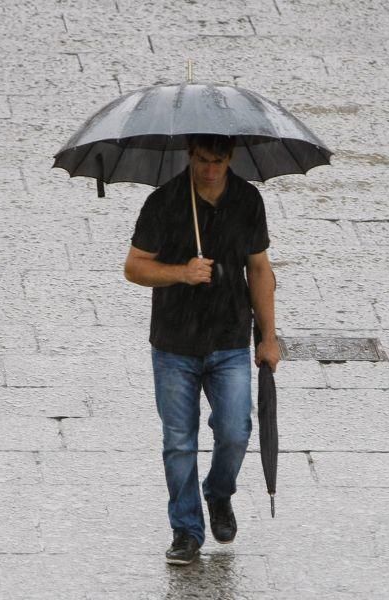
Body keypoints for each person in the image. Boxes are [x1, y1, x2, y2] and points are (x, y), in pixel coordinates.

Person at [123, 133, 281, 565]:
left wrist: (268, 337)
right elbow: (134, 267)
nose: (210, 170)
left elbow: (260, 269)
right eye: (203, 160)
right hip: (175, 343)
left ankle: (218, 493)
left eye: (219, 160)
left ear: (231, 157)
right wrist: (182, 273)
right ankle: (186, 530)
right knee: (179, 441)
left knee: (235, 431)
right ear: (190, 155)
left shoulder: (248, 200)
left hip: (230, 339)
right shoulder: (165, 202)